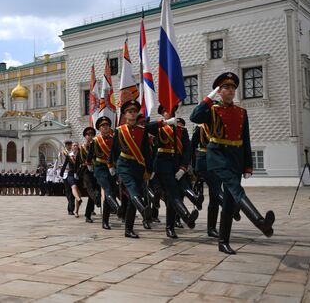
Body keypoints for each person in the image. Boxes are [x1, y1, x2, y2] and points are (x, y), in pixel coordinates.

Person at [190, 72, 275, 254]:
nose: (230, 90)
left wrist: (247, 165)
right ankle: (259, 221)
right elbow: (194, 117)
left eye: (232, 88)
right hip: (217, 155)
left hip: (235, 157)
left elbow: (246, 140)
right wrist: (209, 97)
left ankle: (223, 242)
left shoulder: (241, 112)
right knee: (235, 188)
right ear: (220, 91)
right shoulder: (211, 110)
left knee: (229, 202)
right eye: (226, 88)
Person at [146, 105, 198, 239]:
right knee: (172, 193)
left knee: (173, 197)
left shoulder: (182, 130)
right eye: (167, 110)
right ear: (163, 113)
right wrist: (163, 123)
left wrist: (183, 167)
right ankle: (185, 217)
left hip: (177, 164)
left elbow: (187, 150)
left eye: (172, 109)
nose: (170, 112)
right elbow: (145, 128)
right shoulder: (159, 127)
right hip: (162, 165)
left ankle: (171, 226)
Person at [108, 99, 153, 238]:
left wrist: (149, 170)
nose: (132, 114)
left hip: (138, 166)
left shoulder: (142, 130)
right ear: (125, 115)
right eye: (129, 111)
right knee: (133, 189)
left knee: (133, 199)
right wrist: (111, 165)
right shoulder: (120, 131)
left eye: (134, 111)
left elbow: (146, 151)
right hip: (124, 165)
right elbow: (114, 150)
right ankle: (144, 209)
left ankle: (128, 229)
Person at [88, 116, 122, 231]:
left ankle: (105, 221)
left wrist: (116, 166)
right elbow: (90, 155)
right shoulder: (96, 140)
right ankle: (117, 208)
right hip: (100, 168)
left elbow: (117, 154)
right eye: (103, 126)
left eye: (107, 125)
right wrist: (88, 164)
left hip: (111, 168)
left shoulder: (113, 139)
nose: (105, 127)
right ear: (99, 128)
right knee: (107, 189)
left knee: (110, 192)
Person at [77, 126, 100, 223]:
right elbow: (79, 160)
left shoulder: (96, 145)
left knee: (94, 192)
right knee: (90, 189)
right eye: (88, 135)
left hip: (96, 170)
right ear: (85, 136)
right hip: (86, 171)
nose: (90, 136)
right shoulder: (82, 148)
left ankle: (88, 214)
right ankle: (97, 200)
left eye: (92, 135)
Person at [60, 142, 83, 217]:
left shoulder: (81, 154)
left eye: (76, 145)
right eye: (73, 145)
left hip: (79, 175)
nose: (75, 146)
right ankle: (73, 205)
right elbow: (63, 164)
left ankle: (75, 210)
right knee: (71, 190)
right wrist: (61, 173)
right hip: (69, 174)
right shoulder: (68, 155)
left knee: (77, 192)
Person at [57, 139, 75, 215]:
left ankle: (71, 207)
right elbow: (59, 163)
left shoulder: (74, 153)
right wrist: (58, 173)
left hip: (73, 173)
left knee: (73, 190)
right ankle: (70, 207)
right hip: (65, 173)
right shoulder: (61, 153)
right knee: (67, 191)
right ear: (65, 145)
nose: (68, 145)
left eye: (70, 144)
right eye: (67, 144)